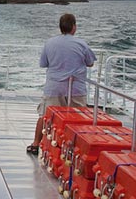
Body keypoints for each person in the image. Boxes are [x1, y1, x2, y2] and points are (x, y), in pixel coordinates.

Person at [26, 13, 96, 155]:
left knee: (45, 115)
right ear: (74, 27)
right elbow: (90, 62)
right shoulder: (81, 43)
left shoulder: (50, 43)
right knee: (78, 118)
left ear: (60, 27)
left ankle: (35, 144)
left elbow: (43, 63)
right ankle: (78, 150)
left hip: (54, 87)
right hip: (76, 87)